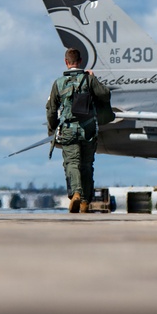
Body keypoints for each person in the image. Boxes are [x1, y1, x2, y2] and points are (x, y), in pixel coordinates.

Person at [46, 48, 114, 213]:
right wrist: (92, 78)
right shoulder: (88, 80)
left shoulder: (59, 83)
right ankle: (85, 202)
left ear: (66, 62)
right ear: (81, 61)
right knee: (87, 164)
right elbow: (105, 94)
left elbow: (51, 109)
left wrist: (53, 128)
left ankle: (76, 193)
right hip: (88, 128)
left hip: (68, 129)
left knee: (72, 163)